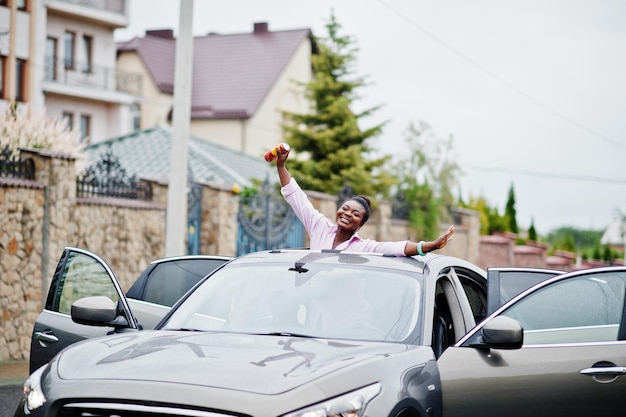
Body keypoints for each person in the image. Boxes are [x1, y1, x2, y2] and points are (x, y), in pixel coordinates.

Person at [275, 148, 455, 256]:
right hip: (311, 308)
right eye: (345, 208)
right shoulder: (319, 226)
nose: (347, 214)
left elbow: (397, 248)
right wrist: (281, 166)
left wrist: (431, 245)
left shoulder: (362, 248)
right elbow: (296, 196)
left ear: (360, 224)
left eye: (355, 214)